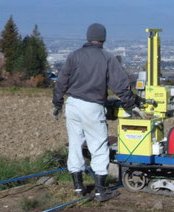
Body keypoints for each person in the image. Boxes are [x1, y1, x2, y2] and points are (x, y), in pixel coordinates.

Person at [52, 23, 141, 202]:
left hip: (73, 104)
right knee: (99, 145)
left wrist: (57, 103)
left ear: (88, 37)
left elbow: (61, 82)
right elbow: (120, 85)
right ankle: (101, 190)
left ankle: (78, 187)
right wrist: (132, 105)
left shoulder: (74, 56)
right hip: (92, 106)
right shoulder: (107, 58)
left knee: (75, 144)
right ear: (103, 38)